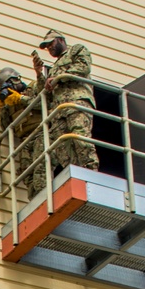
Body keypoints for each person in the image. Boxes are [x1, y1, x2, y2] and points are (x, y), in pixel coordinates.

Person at [23, 26, 97, 193]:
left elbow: (83, 68)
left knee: (80, 138)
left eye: (51, 43)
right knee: (63, 148)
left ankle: (91, 173)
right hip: (59, 111)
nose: (49, 48)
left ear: (61, 40)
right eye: (46, 46)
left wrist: (59, 78)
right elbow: (46, 94)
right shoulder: (53, 68)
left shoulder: (77, 50)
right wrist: (39, 73)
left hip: (76, 102)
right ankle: (77, 175)